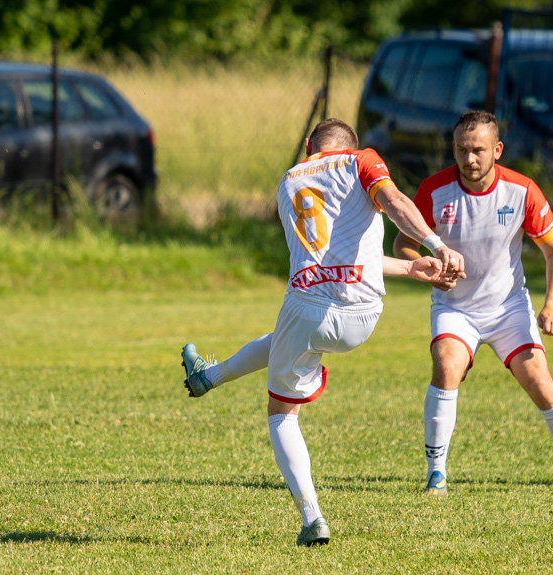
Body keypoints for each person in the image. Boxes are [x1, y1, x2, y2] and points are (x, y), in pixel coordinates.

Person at [181, 118, 465, 546]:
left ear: (311, 145)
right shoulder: (362, 161)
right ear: (352, 145)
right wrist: (428, 251)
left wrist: (424, 255)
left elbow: (328, 249)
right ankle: (209, 376)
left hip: (306, 307)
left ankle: (312, 517)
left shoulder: (288, 180)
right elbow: (390, 203)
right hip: (362, 317)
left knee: (281, 414)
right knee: (282, 346)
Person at [393, 110, 553, 497]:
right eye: (461, 149)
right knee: (446, 367)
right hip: (455, 308)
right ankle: (436, 475)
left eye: (478, 150)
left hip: (507, 307)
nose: (469, 158)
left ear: (497, 149)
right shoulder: (433, 190)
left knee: (541, 384)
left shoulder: (521, 190)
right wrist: (423, 266)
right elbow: (403, 244)